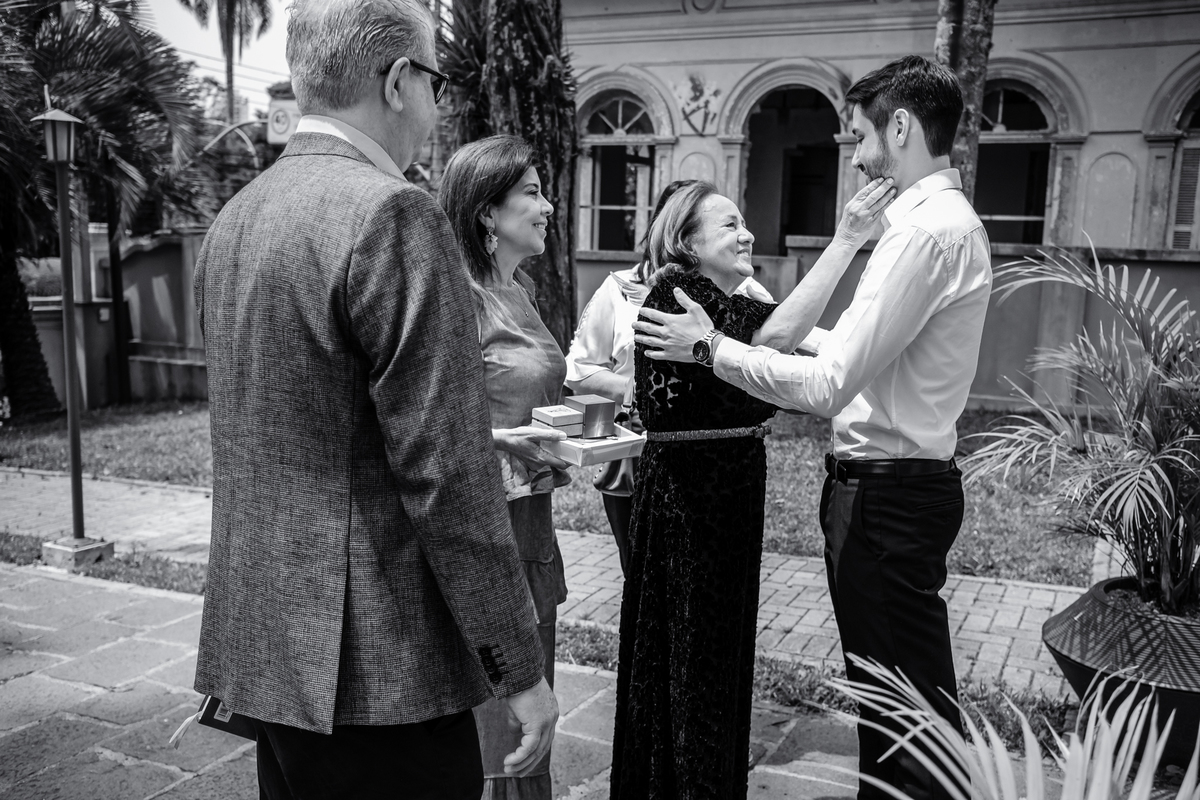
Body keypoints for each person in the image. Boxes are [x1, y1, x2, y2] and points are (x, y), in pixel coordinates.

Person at [191, 3, 557, 797]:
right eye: (434, 81)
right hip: (378, 670)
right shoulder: (393, 213)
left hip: (270, 654)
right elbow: (446, 474)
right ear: (399, 81)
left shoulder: (234, 217)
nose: (434, 106)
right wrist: (519, 667)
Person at [633, 55, 991, 800]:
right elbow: (848, 348)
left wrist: (713, 349)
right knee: (891, 699)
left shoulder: (925, 236)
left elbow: (831, 386)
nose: (856, 155)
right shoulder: (926, 228)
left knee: (907, 712)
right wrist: (747, 341)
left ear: (900, 127)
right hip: (888, 492)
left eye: (860, 135)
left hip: (888, 499)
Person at [607, 180, 778, 799]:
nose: (747, 233)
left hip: (728, 497)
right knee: (689, 657)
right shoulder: (678, 295)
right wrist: (845, 243)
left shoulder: (730, 300)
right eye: (730, 224)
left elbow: (782, 334)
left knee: (715, 655)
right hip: (690, 502)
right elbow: (780, 337)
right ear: (687, 241)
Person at [440, 134, 570, 800]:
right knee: (501, 748)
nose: (548, 206)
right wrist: (506, 442)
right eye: (532, 192)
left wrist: (587, 407)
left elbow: (531, 396)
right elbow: (435, 431)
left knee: (534, 734)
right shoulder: (456, 300)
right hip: (486, 540)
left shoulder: (520, 291)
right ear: (487, 212)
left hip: (533, 532)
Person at [564, 180, 773, 574]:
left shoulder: (743, 289)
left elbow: (772, 345)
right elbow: (578, 369)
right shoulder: (620, 289)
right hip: (636, 452)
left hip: (714, 460)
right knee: (642, 574)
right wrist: (637, 391)